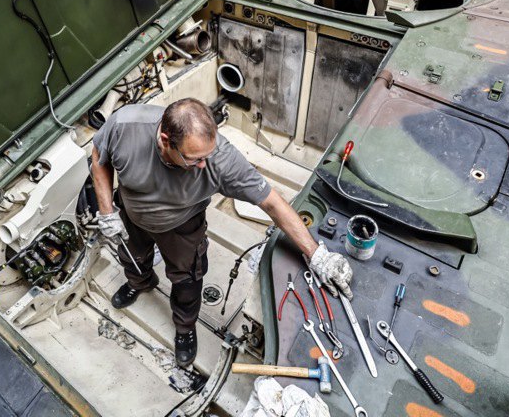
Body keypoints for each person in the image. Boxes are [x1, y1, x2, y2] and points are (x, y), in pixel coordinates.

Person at [90, 98, 353, 368]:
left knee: (187, 279)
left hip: (180, 225)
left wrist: (317, 254)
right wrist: (107, 212)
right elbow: (99, 156)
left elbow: (273, 203)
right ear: (165, 140)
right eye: (195, 159)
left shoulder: (221, 161)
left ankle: (184, 327)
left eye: (207, 156)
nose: (204, 165)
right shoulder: (125, 125)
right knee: (131, 255)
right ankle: (140, 282)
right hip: (131, 214)